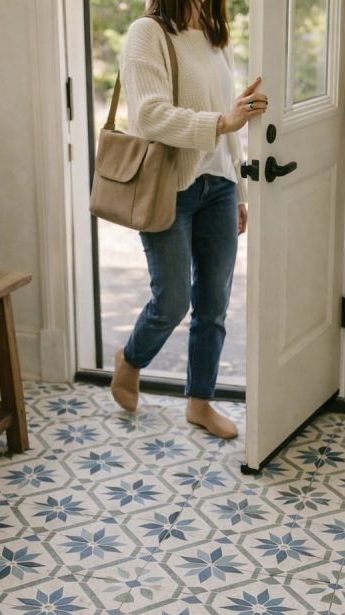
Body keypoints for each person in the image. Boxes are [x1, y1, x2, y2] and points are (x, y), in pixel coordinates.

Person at [110, 0, 268, 439]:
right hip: (169, 188)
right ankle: (131, 359)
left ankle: (200, 402)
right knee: (173, 300)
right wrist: (222, 121)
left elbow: (228, 121)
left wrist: (239, 191)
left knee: (214, 303)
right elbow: (148, 116)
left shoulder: (217, 37)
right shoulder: (148, 33)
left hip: (219, 187)